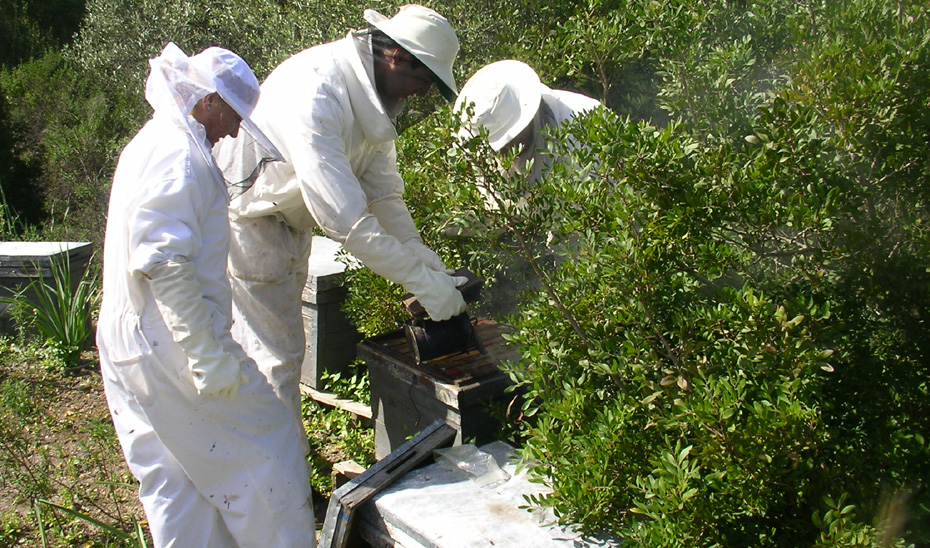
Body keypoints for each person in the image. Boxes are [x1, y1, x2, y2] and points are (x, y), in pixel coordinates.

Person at [214, 5, 467, 449]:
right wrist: (420, 283)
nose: (424, 92)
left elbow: (383, 192)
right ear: (398, 58)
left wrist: (418, 252)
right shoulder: (318, 91)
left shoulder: (375, 99)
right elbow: (346, 220)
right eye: (424, 79)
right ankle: (274, 480)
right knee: (274, 358)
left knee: (283, 352)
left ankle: (275, 463)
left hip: (288, 220)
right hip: (252, 219)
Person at [96, 42, 316, 547]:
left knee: (175, 481)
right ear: (209, 100)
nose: (236, 130)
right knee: (270, 449)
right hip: (172, 342)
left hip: (131, 339)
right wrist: (206, 355)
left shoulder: (153, 141)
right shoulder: (178, 155)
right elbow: (161, 260)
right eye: (233, 115)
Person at [454, 59, 602, 188]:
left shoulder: (588, 121)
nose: (505, 151)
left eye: (510, 141)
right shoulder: (485, 158)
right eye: (499, 147)